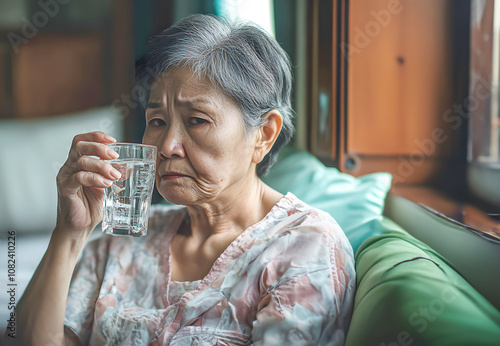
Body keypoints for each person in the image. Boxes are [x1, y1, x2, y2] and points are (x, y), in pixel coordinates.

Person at [14, 14, 355, 345]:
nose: (166, 147)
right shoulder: (120, 242)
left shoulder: (304, 247)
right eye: (157, 121)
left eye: (196, 121)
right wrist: (69, 233)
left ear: (264, 135)